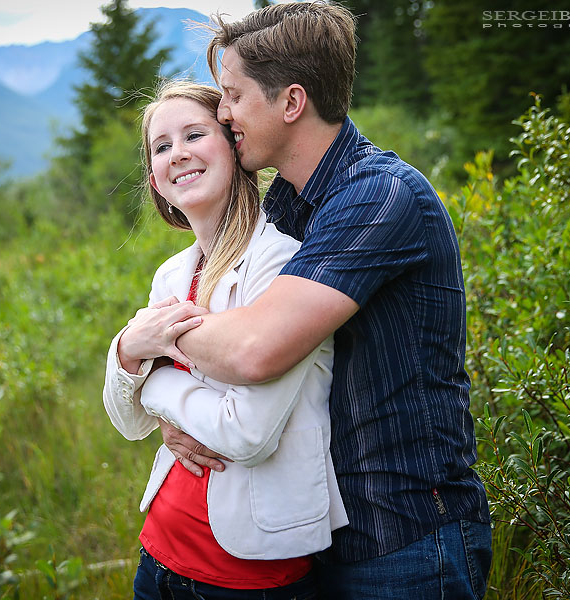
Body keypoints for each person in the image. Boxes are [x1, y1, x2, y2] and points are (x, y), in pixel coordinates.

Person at [120, 2, 493, 598]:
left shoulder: (380, 197)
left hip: (404, 538)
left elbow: (252, 352)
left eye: (234, 96)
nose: (223, 112)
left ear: (291, 103)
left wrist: (150, 346)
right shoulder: (291, 206)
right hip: (319, 538)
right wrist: (172, 405)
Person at [103, 80, 347, 599]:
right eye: (162, 146)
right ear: (155, 179)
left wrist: (157, 391)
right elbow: (128, 425)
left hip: (247, 573)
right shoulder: (171, 275)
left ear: (234, 148)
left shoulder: (280, 262)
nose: (178, 154)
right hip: (159, 551)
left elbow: (246, 436)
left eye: (195, 133)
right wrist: (128, 349)